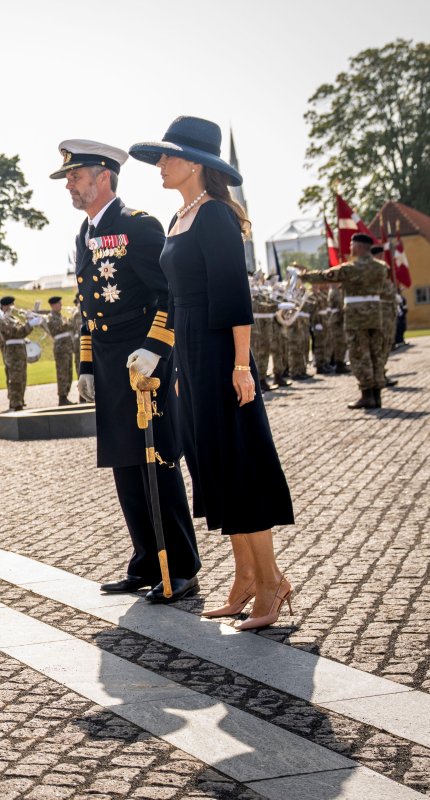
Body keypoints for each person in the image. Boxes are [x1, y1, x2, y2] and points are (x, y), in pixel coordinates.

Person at [131, 116, 295, 628]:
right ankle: (245, 576)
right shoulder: (181, 215)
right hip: (193, 356)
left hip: (222, 353)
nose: (159, 164)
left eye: (167, 156)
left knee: (240, 466)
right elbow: (178, 299)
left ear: (196, 163)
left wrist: (241, 365)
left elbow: (233, 295)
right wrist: (178, 363)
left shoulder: (216, 216)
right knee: (214, 467)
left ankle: (271, 584)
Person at [52, 138, 201, 604]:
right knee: (123, 462)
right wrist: (87, 365)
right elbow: (88, 309)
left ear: (103, 176)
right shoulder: (85, 233)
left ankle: (179, 566)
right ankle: (144, 561)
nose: (70, 186)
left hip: (144, 364)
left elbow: (168, 294)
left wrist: (155, 349)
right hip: (112, 362)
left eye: (75, 177)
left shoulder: (139, 226)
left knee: (156, 463)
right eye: (70, 179)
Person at [303, 234, 390, 409]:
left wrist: (303, 276)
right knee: (376, 354)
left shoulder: (351, 268)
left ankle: (367, 394)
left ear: (358, 247)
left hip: (356, 316)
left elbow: (325, 276)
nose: (350, 248)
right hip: (375, 314)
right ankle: (377, 395)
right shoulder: (381, 267)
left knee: (359, 354)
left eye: (351, 244)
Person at [0, 296, 34, 411]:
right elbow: (17, 332)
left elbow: (22, 332)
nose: (13, 307)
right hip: (12, 352)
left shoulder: (13, 318)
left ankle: (19, 399)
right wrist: (30, 324)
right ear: (4, 306)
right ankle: (15, 402)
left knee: (22, 377)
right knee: (15, 378)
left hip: (19, 351)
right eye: (10, 305)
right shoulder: (2, 318)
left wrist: (28, 322)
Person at [372, 245, 399, 388]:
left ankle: (381, 374)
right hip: (381, 315)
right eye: (380, 256)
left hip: (389, 315)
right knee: (380, 346)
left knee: (387, 346)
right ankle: (378, 376)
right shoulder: (373, 274)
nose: (383, 259)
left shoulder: (383, 274)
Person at [44, 296, 76, 405]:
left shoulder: (60, 316)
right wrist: (69, 321)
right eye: (59, 303)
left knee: (68, 372)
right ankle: (62, 397)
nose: (61, 305)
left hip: (67, 347)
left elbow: (71, 327)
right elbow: (57, 329)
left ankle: (65, 395)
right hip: (61, 348)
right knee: (62, 372)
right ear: (53, 305)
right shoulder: (50, 317)